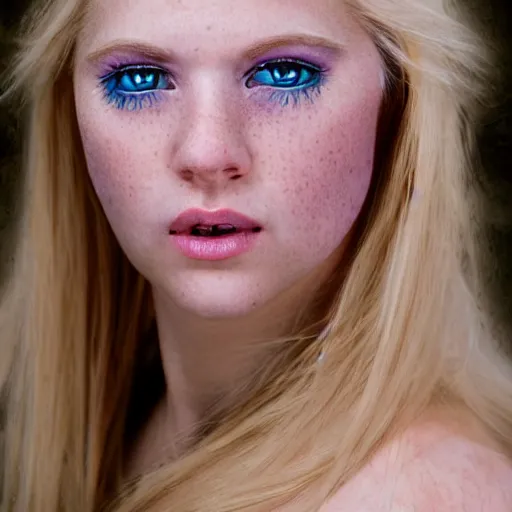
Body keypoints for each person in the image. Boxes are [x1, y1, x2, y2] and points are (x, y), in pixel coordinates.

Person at [1, 0, 512, 510]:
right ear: (70, 111)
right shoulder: (87, 422)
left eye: (284, 73)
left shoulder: (423, 496)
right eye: (139, 80)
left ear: (396, 101)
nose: (206, 154)